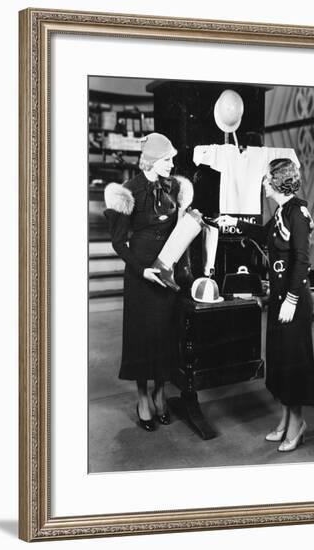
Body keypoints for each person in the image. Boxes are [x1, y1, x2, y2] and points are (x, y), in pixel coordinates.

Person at [217, 158, 314, 452]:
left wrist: (292, 299)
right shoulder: (280, 211)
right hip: (278, 299)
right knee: (280, 363)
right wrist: (234, 223)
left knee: (293, 365)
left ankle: (297, 424)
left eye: (266, 179)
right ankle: (286, 419)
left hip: (291, 302)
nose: (263, 184)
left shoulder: (297, 212)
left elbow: (302, 259)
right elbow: (263, 235)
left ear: (278, 182)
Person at [103, 133, 195, 432]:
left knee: (165, 336)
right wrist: (142, 270)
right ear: (153, 160)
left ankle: (159, 392)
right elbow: (118, 243)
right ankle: (143, 396)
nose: (172, 164)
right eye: (168, 159)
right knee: (142, 337)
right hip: (141, 274)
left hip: (166, 271)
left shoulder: (174, 188)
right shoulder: (128, 192)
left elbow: (178, 230)